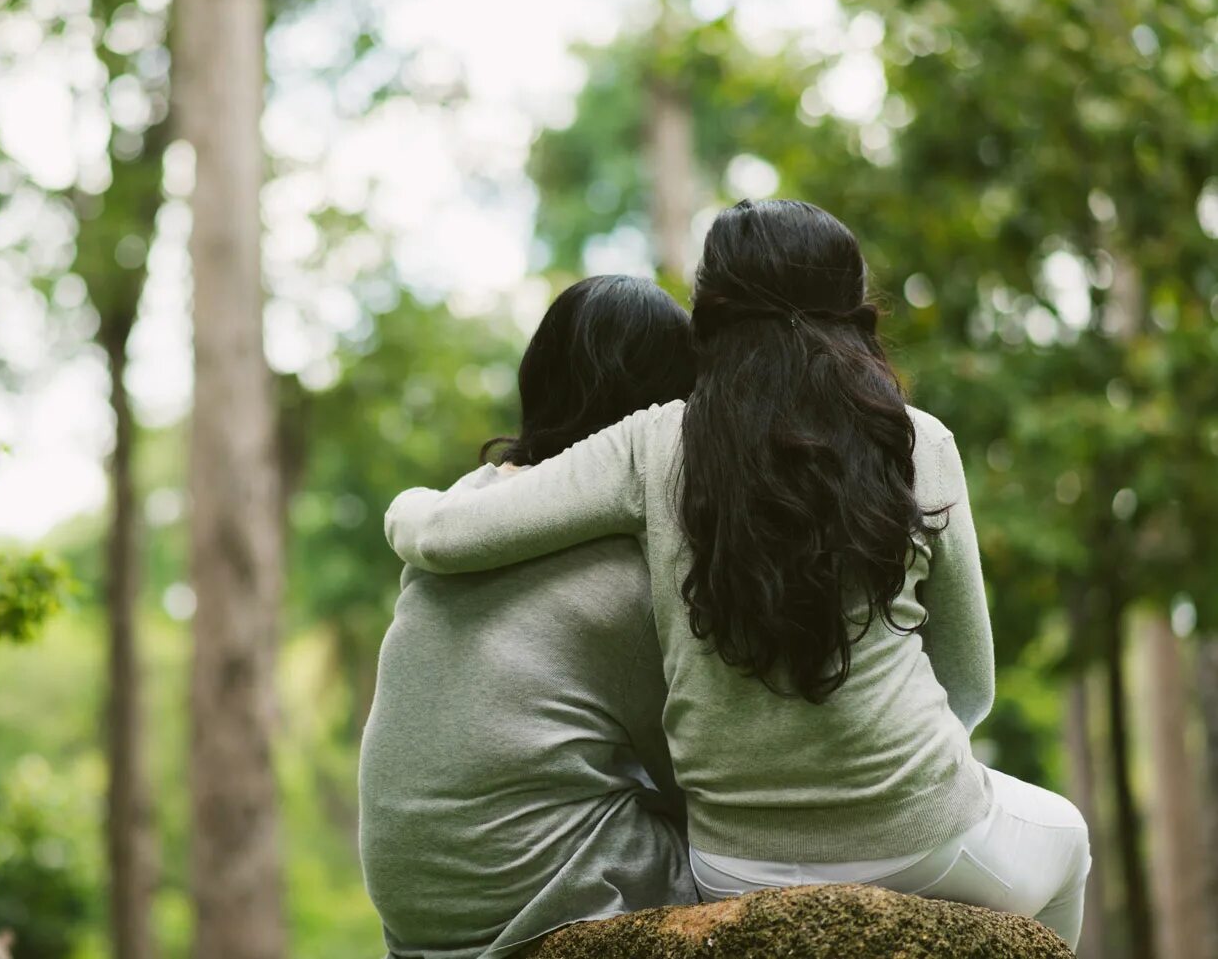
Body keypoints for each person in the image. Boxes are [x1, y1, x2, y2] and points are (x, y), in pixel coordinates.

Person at [384, 200, 1092, 947]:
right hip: (923, 835)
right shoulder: (918, 443)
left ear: (709, 321)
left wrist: (408, 506)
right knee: (1068, 839)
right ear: (855, 315)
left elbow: (444, 533)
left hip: (731, 862)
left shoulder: (655, 444)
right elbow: (968, 683)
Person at [358, 275, 701, 959]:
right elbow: (691, 770)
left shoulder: (467, 502)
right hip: (539, 907)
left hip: (415, 918)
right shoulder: (619, 569)